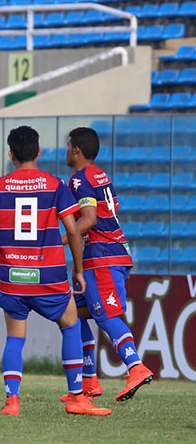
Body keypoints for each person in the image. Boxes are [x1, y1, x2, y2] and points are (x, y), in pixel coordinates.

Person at [0, 125, 111, 416]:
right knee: (71, 326)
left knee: (14, 337)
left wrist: (6, 264)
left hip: (13, 278)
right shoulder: (54, 185)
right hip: (49, 277)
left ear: (11, 154)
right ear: (38, 152)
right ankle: (77, 396)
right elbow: (73, 231)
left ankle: (12, 402)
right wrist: (77, 270)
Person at [61, 126, 153, 402]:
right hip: (114, 252)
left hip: (102, 256)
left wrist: (60, 241)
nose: (66, 150)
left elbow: (88, 219)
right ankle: (89, 381)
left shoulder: (80, 179)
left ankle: (135, 367)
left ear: (76, 149)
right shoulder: (100, 174)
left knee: (106, 316)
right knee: (71, 313)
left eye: (68, 146)